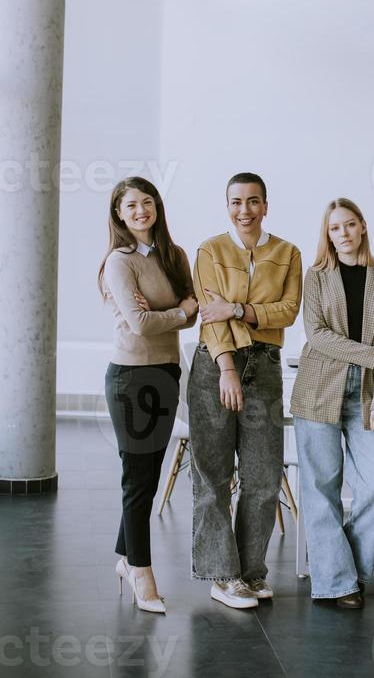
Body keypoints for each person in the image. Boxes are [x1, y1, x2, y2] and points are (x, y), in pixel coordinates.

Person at [189, 172, 302, 610]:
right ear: (227, 205)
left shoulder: (287, 252)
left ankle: (251, 571)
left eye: (253, 201)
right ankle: (223, 575)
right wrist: (227, 369)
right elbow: (210, 318)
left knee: (262, 477)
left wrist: (238, 307)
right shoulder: (209, 250)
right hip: (216, 367)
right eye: (236, 202)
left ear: (266, 205)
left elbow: (288, 312)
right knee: (213, 477)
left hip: (267, 367)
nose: (245, 210)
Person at [291, 198, 374, 608]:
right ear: (327, 234)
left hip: (367, 392)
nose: (343, 234)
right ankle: (338, 582)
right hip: (318, 388)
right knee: (322, 488)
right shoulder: (316, 277)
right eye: (335, 228)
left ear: (363, 227)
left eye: (350, 225)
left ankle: (344, 569)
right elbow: (316, 335)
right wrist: (372, 356)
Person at [99, 177, 198, 613]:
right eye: (130, 205)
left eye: (147, 202)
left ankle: (125, 557)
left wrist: (168, 314)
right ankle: (141, 570)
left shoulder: (172, 255)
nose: (141, 210)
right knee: (137, 480)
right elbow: (141, 325)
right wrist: (176, 311)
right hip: (132, 379)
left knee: (148, 476)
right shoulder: (119, 263)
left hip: (167, 372)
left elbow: (190, 315)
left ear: (157, 206)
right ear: (119, 214)